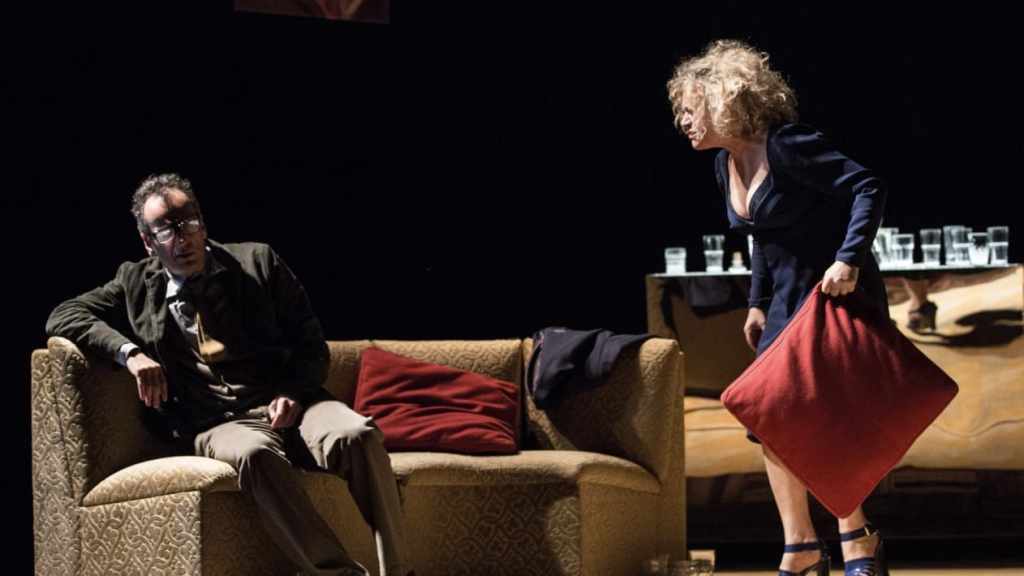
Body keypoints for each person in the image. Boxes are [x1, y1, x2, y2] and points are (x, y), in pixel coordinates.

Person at [46, 173, 413, 576]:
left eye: (189, 222)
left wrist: (293, 392)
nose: (183, 238)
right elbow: (64, 315)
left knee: (357, 434)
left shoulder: (258, 262)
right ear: (148, 242)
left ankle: (398, 570)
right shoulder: (134, 283)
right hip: (217, 422)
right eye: (166, 230)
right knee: (253, 454)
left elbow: (311, 346)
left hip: (295, 402)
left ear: (203, 224)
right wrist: (130, 354)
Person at [667, 40, 890, 576]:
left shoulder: (788, 145)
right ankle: (801, 545)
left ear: (724, 100)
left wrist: (848, 260)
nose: (683, 121)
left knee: (824, 418)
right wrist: (757, 302)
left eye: (691, 109)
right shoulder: (724, 165)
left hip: (832, 294)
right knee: (769, 420)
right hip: (785, 300)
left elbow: (868, 186)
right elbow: (761, 238)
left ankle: (856, 538)